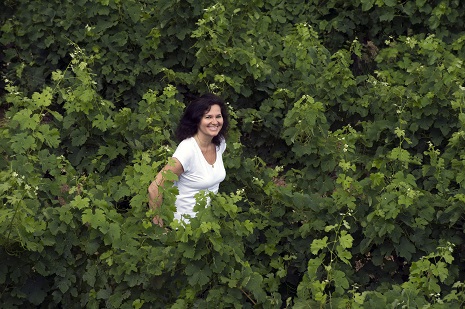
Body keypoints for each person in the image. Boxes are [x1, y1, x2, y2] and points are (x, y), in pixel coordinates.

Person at [148, 93, 229, 226]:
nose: (215, 122)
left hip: (205, 225)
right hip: (181, 228)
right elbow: (154, 188)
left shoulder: (220, 144)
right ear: (197, 120)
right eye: (208, 117)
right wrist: (159, 227)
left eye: (218, 116)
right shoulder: (187, 151)